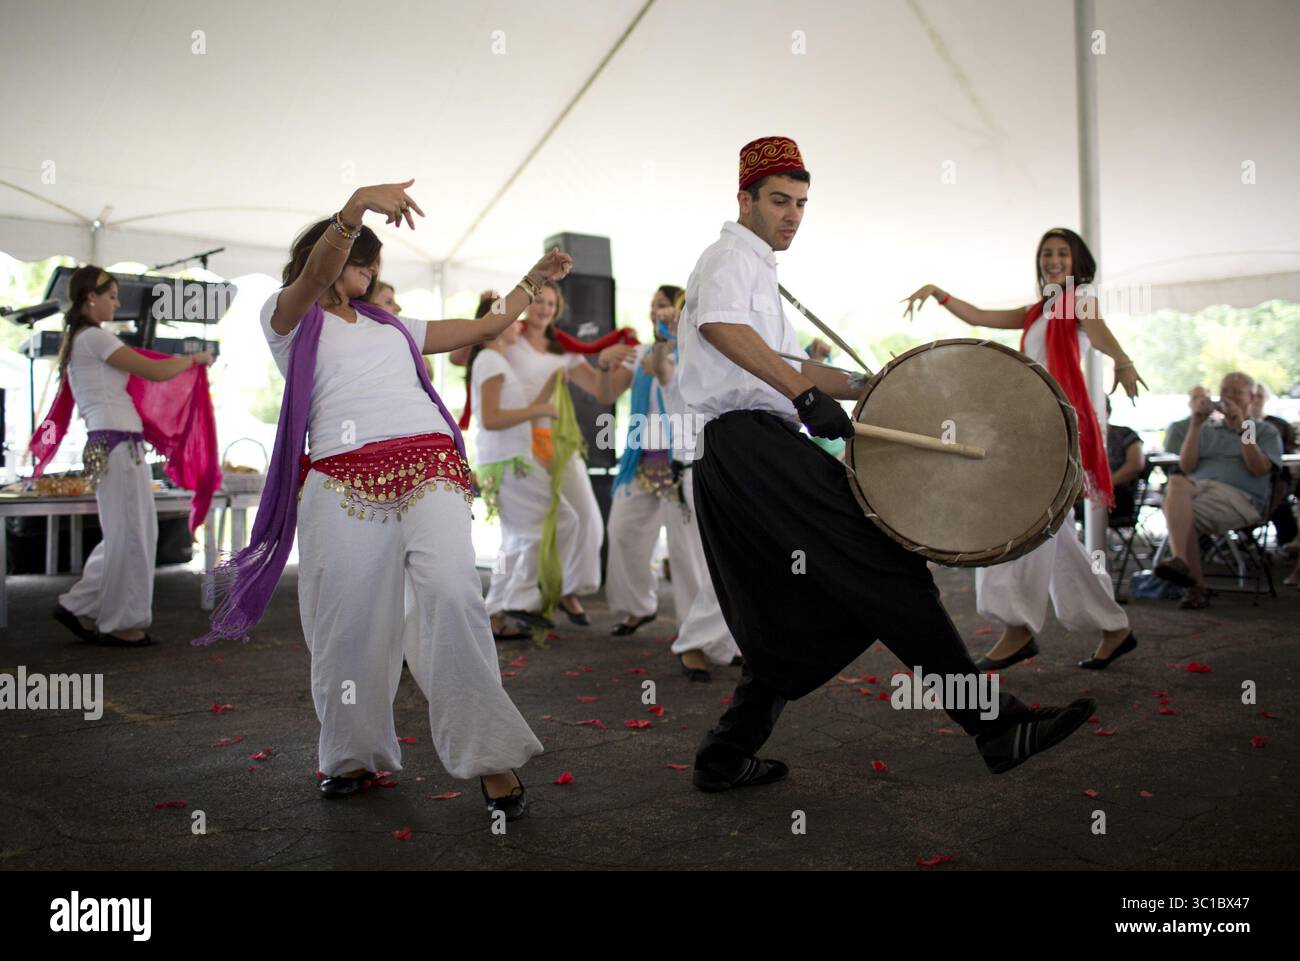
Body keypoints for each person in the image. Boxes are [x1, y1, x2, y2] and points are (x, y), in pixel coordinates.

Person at [677, 137, 1096, 793]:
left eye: (801, 203)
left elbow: (784, 361)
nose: (792, 214)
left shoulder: (756, 268)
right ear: (745, 200)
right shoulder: (731, 255)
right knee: (883, 561)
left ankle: (723, 754)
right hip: (750, 444)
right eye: (779, 201)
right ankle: (994, 725)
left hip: (744, 452)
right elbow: (721, 332)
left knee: (800, 603)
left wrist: (867, 383)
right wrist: (802, 395)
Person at [203, 180, 568, 819]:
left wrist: (532, 280)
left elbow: (485, 325)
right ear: (326, 254)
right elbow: (317, 273)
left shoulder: (394, 325)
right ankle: (351, 756)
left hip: (428, 464)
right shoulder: (289, 319)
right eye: (359, 257)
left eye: (375, 261)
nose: (370, 270)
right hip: (340, 481)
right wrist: (355, 207)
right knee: (348, 622)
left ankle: (490, 757)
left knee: (454, 592)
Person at [903, 227, 1142, 670]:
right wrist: (939, 293)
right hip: (1035, 424)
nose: (1053, 260)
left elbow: (1099, 329)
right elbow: (980, 317)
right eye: (1047, 254)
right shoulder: (1040, 311)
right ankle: (1114, 627)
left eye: (1062, 254)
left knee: (1020, 520)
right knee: (1053, 530)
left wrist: (1123, 360)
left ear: (1078, 264)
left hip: (1059, 426)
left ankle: (1017, 628)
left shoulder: (1079, 298)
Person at [42, 266, 214, 646]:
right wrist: (194, 359)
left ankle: (83, 605)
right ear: (91, 297)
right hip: (116, 446)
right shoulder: (94, 338)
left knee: (128, 531)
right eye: (112, 296)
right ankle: (119, 621)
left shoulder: (85, 339)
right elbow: (153, 371)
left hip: (117, 445)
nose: (117, 303)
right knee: (131, 532)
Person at [503, 281, 636, 624]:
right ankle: (515, 602)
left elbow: (601, 392)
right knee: (530, 526)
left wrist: (610, 364)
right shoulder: (507, 338)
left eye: (550, 302)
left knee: (588, 519)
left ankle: (569, 590)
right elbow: (464, 357)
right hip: (517, 440)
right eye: (536, 300)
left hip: (559, 442)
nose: (543, 308)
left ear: (557, 309)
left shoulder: (563, 349)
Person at [604, 286, 707, 639]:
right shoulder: (639, 354)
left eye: (663, 306)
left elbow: (667, 372)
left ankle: (695, 631)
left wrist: (669, 343)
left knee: (685, 552)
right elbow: (604, 391)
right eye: (652, 306)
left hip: (681, 466)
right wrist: (602, 360)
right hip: (642, 461)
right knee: (621, 534)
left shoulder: (695, 354)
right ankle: (636, 607)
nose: (656, 312)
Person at [466, 308, 568, 639]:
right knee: (558, 522)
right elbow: (492, 418)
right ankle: (520, 601)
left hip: (507, 460)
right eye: (511, 319)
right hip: (510, 462)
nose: (519, 325)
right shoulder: (491, 361)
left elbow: (514, 411)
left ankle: (497, 611)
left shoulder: (495, 360)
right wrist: (539, 408)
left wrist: (549, 387)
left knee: (515, 540)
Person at [1155, 374, 1284, 608]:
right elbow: (1186, 466)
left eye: (1236, 392)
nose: (1229, 397)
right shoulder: (1207, 430)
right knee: (1175, 483)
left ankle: (1194, 584)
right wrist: (1195, 424)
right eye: (1225, 391)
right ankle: (1182, 563)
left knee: (1180, 514)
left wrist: (1242, 426)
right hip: (1199, 491)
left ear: (1251, 397)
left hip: (1239, 498)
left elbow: (1259, 469)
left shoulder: (1265, 431)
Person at [1248, 382, 1297, 553]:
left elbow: (1283, 455)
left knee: (1279, 482)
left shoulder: (1273, 426)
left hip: (1269, 481)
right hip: (1237, 483)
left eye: (1260, 396)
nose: (1255, 401)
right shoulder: (1230, 425)